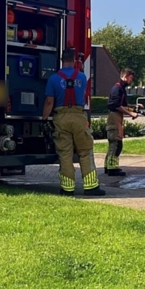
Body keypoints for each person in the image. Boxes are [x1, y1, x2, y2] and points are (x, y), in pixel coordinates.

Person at [43, 49, 104, 196]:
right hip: (78, 116)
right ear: (74, 59)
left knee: (65, 153)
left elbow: (49, 102)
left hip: (61, 117)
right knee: (85, 151)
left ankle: (67, 188)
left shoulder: (53, 79)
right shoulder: (82, 77)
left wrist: (44, 119)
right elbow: (82, 94)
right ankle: (91, 187)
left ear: (62, 60)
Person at [104, 68, 139, 176]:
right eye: (130, 78)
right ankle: (112, 168)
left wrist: (134, 107)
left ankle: (108, 166)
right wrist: (131, 114)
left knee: (114, 143)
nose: (130, 81)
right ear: (125, 76)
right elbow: (117, 105)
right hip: (114, 117)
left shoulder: (121, 88)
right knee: (116, 143)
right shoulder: (117, 88)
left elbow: (123, 104)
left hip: (117, 117)